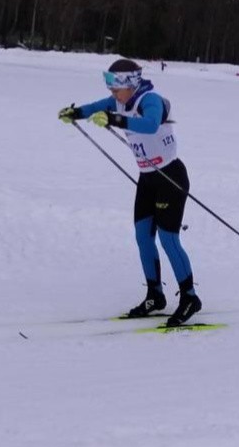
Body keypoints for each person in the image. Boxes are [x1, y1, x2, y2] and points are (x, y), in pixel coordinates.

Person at [57, 58, 202, 327]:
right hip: (147, 179)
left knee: (168, 239)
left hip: (170, 177)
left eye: (115, 86)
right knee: (143, 237)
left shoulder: (150, 100)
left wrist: (115, 119)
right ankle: (155, 295)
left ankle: (190, 297)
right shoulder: (119, 102)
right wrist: (75, 113)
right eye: (109, 85)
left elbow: (150, 125)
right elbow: (93, 108)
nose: (112, 92)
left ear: (130, 84)